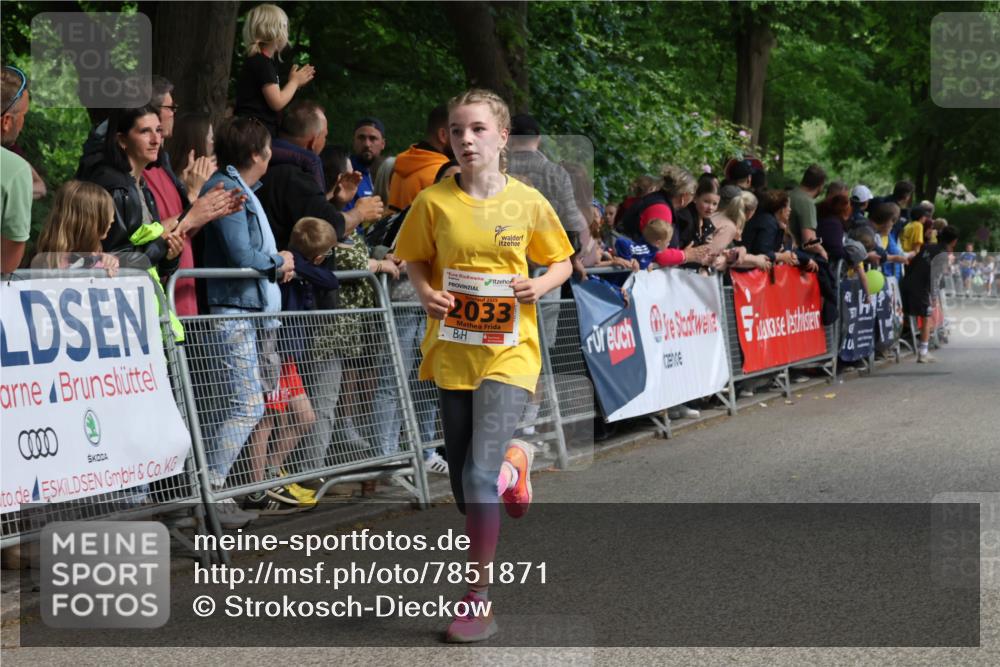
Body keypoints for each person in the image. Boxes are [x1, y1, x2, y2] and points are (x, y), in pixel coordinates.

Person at [394, 88, 573, 643]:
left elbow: (562, 261)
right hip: (452, 352)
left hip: (509, 353)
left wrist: (536, 283)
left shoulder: (525, 201)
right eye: (455, 130)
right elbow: (415, 261)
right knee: (464, 487)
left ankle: (478, 601)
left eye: (476, 129)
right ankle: (515, 467)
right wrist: (425, 293)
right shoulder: (433, 202)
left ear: (501, 138)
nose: (464, 139)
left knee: (474, 475)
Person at [198, 116, 295, 525]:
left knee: (238, 403)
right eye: (269, 147)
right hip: (231, 310)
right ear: (257, 153)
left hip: (243, 310)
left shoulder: (242, 190)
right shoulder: (227, 189)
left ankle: (211, 494)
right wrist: (278, 262)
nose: (272, 153)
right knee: (246, 403)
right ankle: (211, 494)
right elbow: (240, 256)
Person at [257, 101, 383, 250]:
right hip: (289, 268)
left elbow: (311, 214)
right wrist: (360, 212)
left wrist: (336, 202)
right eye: (325, 136)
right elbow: (330, 227)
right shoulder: (296, 177)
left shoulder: (267, 164)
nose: (325, 142)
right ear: (314, 141)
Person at [507, 113, 586, 252]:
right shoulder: (557, 173)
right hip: (548, 256)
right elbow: (572, 221)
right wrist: (573, 257)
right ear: (538, 139)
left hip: (504, 254)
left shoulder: (494, 171)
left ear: (508, 139)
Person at [234, 3, 315, 136]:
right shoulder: (262, 63)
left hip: (253, 132)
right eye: (284, 27)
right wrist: (294, 83)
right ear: (275, 31)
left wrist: (295, 84)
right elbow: (277, 102)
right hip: (254, 135)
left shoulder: (261, 61)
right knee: (306, 158)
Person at [32, 180, 120, 275]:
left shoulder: (101, 261)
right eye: (106, 214)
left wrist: (108, 262)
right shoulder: (43, 262)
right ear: (91, 223)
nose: (112, 220)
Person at [901, 226, 958, 363]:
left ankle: (921, 350)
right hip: (921, 288)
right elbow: (935, 278)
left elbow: (913, 263)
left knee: (906, 316)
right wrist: (933, 297)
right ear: (954, 241)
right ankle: (923, 353)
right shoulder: (942, 255)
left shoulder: (927, 247)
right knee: (927, 318)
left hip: (907, 282)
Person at [388, 105, 452, 211]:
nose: (465, 139)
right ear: (443, 135)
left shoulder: (402, 166)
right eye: (457, 132)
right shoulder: (444, 173)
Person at [1, 65, 31, 272]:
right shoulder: (14, 169)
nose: (23, 123)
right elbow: (7, 261)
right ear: (6, 121)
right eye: (23, 115)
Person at [620, 165, 696, 243]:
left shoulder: (656, 199)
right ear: (684, 195)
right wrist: (683, 254)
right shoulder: (661, 210)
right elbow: (657, 250)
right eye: (692, 194)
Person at [788, 164, 828, 262]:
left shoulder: (789, 194)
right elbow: (808, 243)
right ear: (820, 185)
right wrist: (822, 250)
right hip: (795, 257)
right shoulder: (807, 203)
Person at [345, 117, 386, 211]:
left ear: (383, 144)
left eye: (373, 138)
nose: (367, 144)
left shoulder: (391, 175)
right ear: (354, 141)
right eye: (361, 138)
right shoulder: (345, 173)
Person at [870, 202, 908, 281]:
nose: (893, 226)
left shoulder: (881, 236)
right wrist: (895, 258)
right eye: (893, 222)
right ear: (888, 221)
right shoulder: (869, 235)